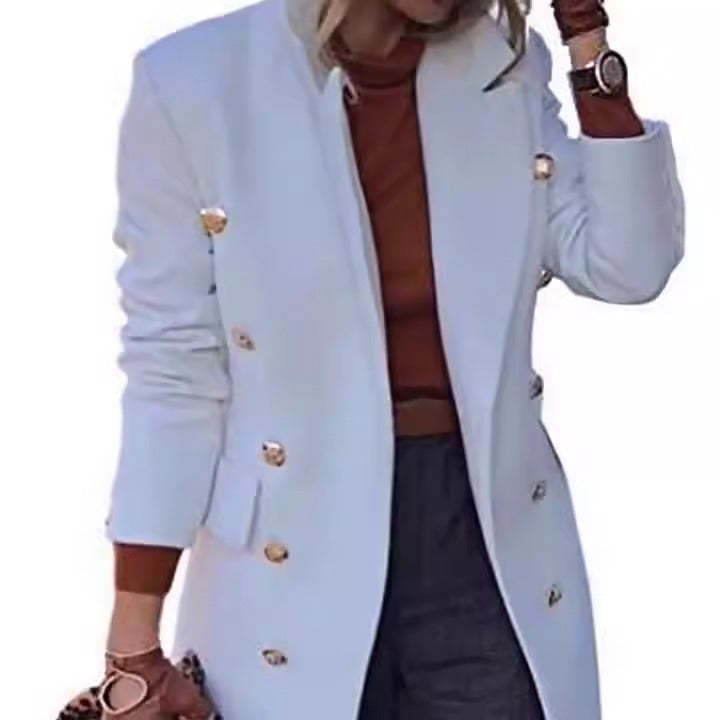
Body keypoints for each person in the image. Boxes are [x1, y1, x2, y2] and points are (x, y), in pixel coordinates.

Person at [98, 0, 684, 717]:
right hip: (289, 549)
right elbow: (171, 368)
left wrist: (589, 45)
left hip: (478, 534)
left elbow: (628, 265)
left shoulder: (502, 66)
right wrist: (132, 647)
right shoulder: (192, 81)